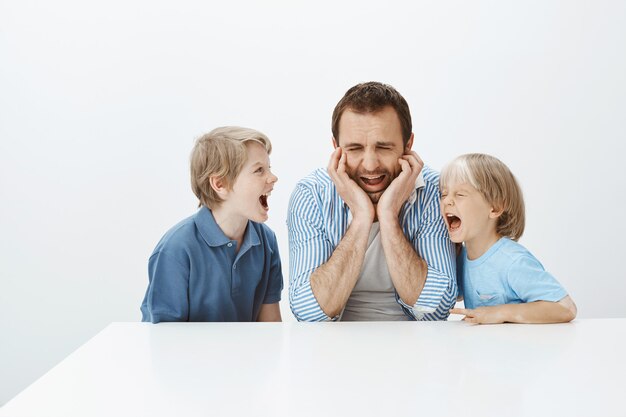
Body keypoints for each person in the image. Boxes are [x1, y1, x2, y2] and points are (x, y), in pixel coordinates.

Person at [288, 82, 456, 321]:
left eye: (384, 147)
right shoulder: (311, 195)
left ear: (408, 145)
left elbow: (436, 310)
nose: (370, 164)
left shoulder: (434, 191)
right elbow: (309, 313)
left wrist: (388, 215)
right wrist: (362, 217)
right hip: (331, 348)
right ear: (336, 148)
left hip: (417, 346)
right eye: (355, 148)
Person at [141, 126, 283, 323]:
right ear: (220, 184)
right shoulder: (176, 250)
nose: (273, 177)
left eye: (269, 168)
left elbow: (270, 328)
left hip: (248, 354)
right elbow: (165, 341)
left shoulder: (266, 241)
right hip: (186, 354)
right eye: (259, 170)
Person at [441, 153, 577, 324]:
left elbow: (565, 308)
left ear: (495, 207)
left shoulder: (512, 262)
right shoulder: (463, 258)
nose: (447, 201)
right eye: (443, 194)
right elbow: (454, 293)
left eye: (460, 194)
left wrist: (499, 313)